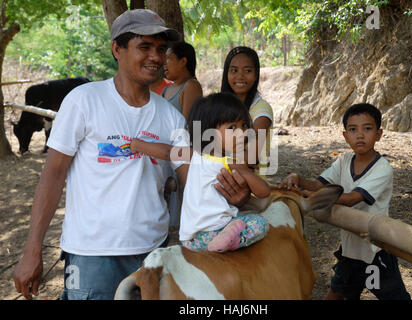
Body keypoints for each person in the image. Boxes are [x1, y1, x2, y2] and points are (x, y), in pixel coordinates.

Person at [12, 9, 249, 301]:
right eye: (144, 47)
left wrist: (232, 195)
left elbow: (194, 178)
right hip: (92, 256)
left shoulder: (170, 118)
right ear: (117, 49)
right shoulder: (84, 101)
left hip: (154, 253)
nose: (156, 57)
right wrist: (32, 249)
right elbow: (53, 175)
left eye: (161, 49)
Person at [279, 103, 411, 300]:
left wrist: (314, 197)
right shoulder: (343, 161)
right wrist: (298, 179)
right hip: (350, 249)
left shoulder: (382, 168)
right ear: (345, 136)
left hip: (375, 249)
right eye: (353, 129)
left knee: (394, 297)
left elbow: (351, 199)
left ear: (379, 134)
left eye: (367, 129)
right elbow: (317, 185)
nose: (360, 135)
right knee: (337, 292)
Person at [130, 93, 271, 252]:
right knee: (261, 223)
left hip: (190, 238)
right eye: (232, 127)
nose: (242, 133)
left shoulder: (194, 155)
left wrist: (139, 146)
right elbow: (264, 192)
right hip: (216, 230)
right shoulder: (232, 164)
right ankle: (228, 240)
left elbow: (167, 151)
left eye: (245, 125)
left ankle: (225, 237)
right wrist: (246, 171)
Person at [221, 46, 273, 175]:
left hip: (250, 186)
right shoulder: (219, 106)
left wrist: (212, 161)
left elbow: (251, 157)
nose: (240, 76)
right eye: (234, 70)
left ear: (256, 75)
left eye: (247, 71)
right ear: (227, 73)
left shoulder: (261, 110)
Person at [162, 41, 203, 119]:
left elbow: (193, 126)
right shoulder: (166, 90)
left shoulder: (192, 86)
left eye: (168, 58)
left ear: (183, 61)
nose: (164, 63)